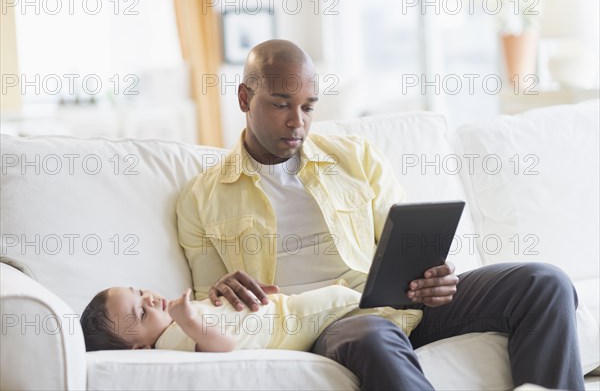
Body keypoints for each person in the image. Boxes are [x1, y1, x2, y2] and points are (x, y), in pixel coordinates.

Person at [176, 39, 584, 390]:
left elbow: (405, 243)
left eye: (308, 107)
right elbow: (204, 310)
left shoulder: (354, 157)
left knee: (543, 282)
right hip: (324, 323)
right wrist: (218, 289)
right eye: (282, 104)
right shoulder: (201, 198)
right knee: (372, 332)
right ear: (245, 98)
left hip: (399, 302)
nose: (297, 122)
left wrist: (434, 276)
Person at [79, 285, 422, 352]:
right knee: (338, 300)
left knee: (339, 299)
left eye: (139, 291)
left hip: (278, 311)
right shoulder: (173, 338)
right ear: (139, 347)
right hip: (285, 326)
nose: (150, 298)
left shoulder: (175, 320)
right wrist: (190, 322)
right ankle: (401, 311)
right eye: (142, 311)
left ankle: (396, 306)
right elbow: (223, 344)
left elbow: (228, 318)